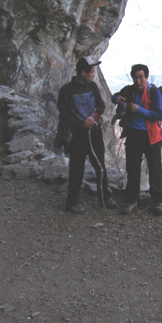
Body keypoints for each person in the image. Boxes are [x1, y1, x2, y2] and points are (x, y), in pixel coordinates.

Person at [57, 56, 117, 214]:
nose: (93, 74)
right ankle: (72, 202)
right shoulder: (66, 91)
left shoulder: (93, 87)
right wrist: (81, 123)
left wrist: (93, 116)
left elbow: (101, 106)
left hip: (94, 132)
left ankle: (104, 196)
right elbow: (64, 114)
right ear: (83, 73)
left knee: (100, 165)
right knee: (76, 168)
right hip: (77, 135)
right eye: (91, 72)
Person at [112, 64, 162, 215]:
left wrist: (139, 110)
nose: (138, 81)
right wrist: (117, 98)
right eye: (135, 77)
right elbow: (114, 97)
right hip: (133, 135)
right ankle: (130, 200)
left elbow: (158, 115)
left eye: (141, 77)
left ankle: (159, 201)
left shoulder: (153, 92)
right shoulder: (129, 90)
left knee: (155, 170)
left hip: (152, 137)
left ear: (146, 77)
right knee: (133, 169)